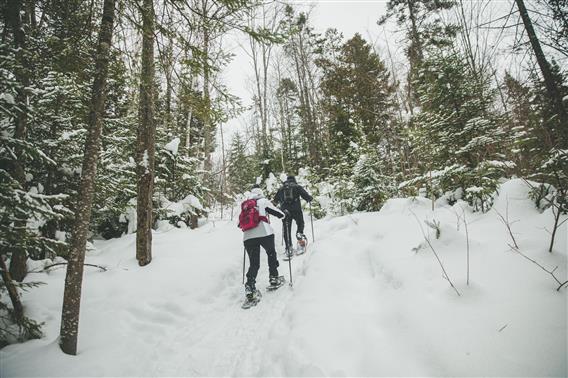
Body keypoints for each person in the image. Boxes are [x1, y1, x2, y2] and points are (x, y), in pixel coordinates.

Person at [238, 187, 285, 301]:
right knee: (271, 253)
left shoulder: (245, 206)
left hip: (248, 237)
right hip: (265, 233)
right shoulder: (263, 201)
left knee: (254, 264)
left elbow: (239, 224)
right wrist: (285, 214)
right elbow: (279, 214)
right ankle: (274, 277)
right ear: (261, 194)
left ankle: (250, 287)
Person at [274, 175, 313, 256]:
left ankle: (288, 248)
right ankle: (300, 240)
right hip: (296, 210)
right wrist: (309, 199)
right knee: (300, 224)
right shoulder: (297, 186)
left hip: (285, 211)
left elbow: (275, 200)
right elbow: (306, 196)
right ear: (294, 180)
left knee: (286, 229)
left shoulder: (281, 189)